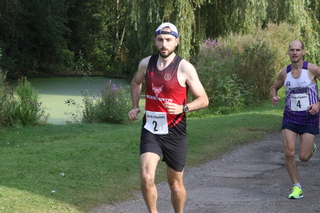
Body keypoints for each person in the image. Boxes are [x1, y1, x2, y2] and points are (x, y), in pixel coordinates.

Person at [127, 22, 209, 213]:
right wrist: (134, 106)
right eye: (160, 40)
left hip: (175, 132)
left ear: (176, 42)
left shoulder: (185, 68)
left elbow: (204, 99)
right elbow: (135, 82)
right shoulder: (146, 64)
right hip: (151, 130)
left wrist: (183, 107)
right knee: (147, 177)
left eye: (168, 40)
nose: (164, 44)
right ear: (155, 41)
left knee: (175, 184)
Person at [270, 40, 320, 199]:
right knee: (288, 152)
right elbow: (274, 87)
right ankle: (296, 186)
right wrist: (274, 96)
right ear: (288, 52)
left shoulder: (312, 69)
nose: (295, 53)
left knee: (303, 157)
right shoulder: (284, 72)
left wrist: (318, 103)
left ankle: (310, 148)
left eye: (298, 50)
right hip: (290, 117)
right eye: (292, 50)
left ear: (303, 52)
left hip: (309, 117)